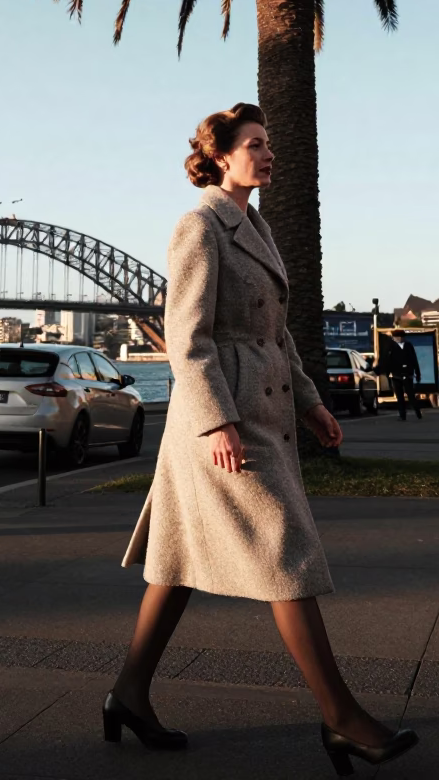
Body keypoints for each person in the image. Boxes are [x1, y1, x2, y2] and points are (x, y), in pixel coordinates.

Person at [105, 103, 418, 774]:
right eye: (255, 143)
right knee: (286, 551)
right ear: (220, 156)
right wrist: (217, 420)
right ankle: (341, 717)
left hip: (266, 410)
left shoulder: (258, 225)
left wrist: (310, 404)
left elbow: (277, 333)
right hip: (226, 424)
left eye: (269, 142)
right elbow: (187, 340)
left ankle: (128, 693)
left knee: (178, 564)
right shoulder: (200, 226)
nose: (268, 152)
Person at [378, 330, 422, 420]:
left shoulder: (409, 346)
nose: (399, 339)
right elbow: (386, 360)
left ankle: (417, 412)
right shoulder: (390, 346)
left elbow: (414, 359)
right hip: (395, 375)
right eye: (397, 337)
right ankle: (402, 415)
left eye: (401, 337)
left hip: (408, 374)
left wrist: (417, 373)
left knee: (410, 395)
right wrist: (386, 373)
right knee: (399, 396)